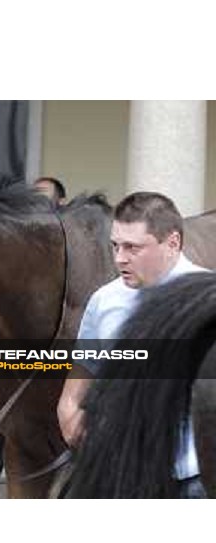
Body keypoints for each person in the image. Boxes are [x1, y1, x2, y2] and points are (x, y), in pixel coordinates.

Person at [57, 191, 207, 498]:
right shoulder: (105, 300)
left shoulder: (209, 299)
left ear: (173, 243)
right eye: (115, 245)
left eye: (133, 247)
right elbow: (86, 364)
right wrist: (68, 408)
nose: (119, 258)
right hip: (122, 476)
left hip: (195, 479)